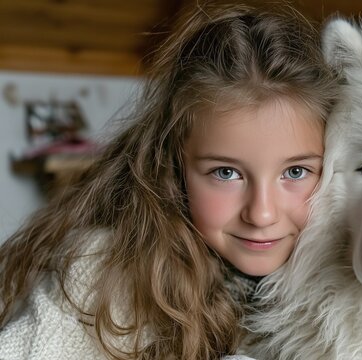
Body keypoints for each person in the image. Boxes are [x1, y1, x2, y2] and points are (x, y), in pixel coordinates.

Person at [0, 2, 337, 359]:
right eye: (226, 173)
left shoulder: (350, 285)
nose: (261, 214)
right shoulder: (103, 272)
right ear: (175, 165)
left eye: (295, 172)